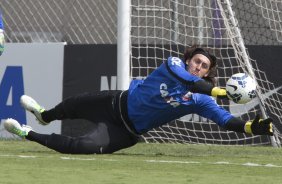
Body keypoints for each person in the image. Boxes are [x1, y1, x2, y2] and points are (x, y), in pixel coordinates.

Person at [4, 46, 273, 154]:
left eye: (204, 66)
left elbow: (225, 120)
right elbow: (191, 81)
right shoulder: (174, 64)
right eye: (197, 61)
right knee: (71, 105)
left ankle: (27, 132)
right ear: (188, 59)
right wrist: (223, 91)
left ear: (208, 72)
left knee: (82, 147)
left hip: (125, 131)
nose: (198, 67)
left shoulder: (199, 100)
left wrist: (250, 127)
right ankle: (44, 115)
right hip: (113, 102)